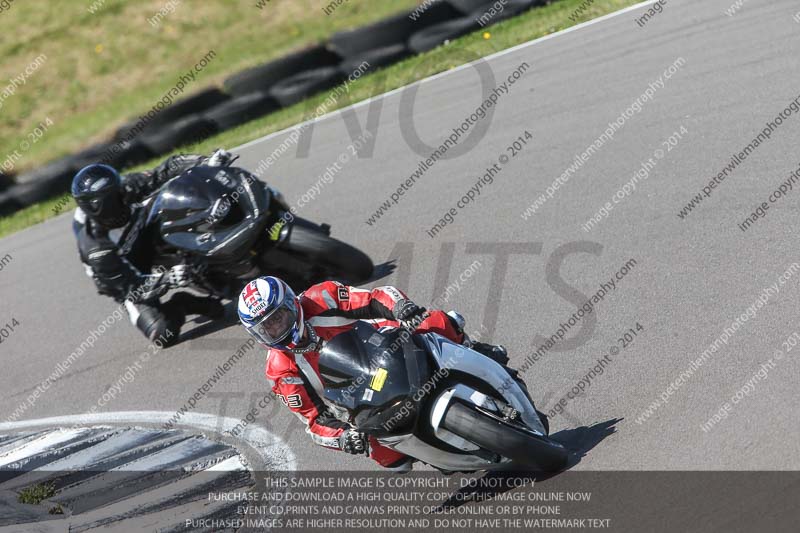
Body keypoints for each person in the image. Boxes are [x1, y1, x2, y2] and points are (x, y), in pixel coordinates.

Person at [236, 275, 512, 472]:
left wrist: (400, 307)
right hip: (359, 401)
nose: (277, 328)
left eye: (278, 317)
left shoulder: (320, 298)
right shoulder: (280, 371)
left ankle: (474, 350)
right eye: (267, 327)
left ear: (290, 303)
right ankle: (443, 456)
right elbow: (314, 422)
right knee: (390, 459)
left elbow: (374, 297)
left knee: (436, 322)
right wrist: (343, 438)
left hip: (387, 347)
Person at [71, 150, 235, 346]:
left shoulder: (127, 187)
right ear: (103, 207)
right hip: (128, 274)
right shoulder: (97, 249)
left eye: (120, 189)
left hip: (147, 234)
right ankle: (183, 303)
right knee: (162, 333)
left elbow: (166, 170)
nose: (125, 193)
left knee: (179, 202)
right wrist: (168, 279)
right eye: (118, 195)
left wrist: (206, 162)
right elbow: (131, 288)